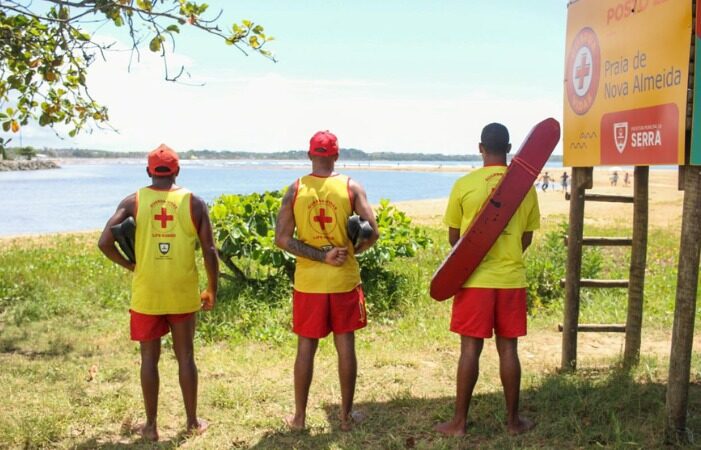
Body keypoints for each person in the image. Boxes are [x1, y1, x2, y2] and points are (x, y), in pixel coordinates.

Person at [98, 144, 219, 442]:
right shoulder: (194, 203)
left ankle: (151, 426)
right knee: (186, 357)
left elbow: (104, 242)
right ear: (177, 170)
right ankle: (191, 422)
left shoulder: (134, 201)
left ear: (149, 171)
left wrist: (132, 265)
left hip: (147, 292)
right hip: (181, 291)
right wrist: (211, 288)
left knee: (149, 360)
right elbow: (210, 250)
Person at [435, 123, 539, 437]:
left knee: (470, 351)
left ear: (481, 147)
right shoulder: (525, 186)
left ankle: (459, 423)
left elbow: (455, 239)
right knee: (509, 351)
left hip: (474, 281)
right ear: (508, 149)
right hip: (510, 279)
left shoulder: (465, 184)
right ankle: (513, 422)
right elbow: (526, 237)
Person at [275, 130, 379, 432]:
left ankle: (299, 418)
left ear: (310, 155)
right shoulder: (350, 187)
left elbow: (282, 239)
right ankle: (346, 418)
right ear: (336, 155)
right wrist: (352, 249)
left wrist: (319, 257)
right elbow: (373, 231)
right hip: (343, 281)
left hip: (308, 284)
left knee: (305, 348)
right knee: (345, 345)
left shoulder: (295, 189)